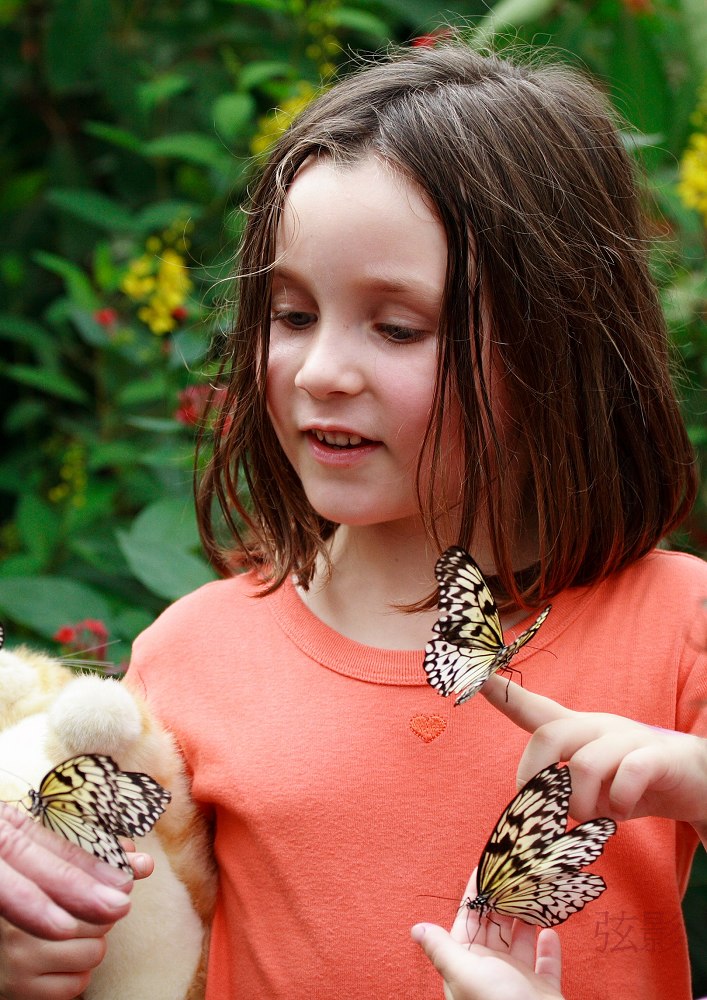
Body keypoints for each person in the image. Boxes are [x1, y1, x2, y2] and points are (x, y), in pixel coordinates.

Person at [1, 40, 705, 1000]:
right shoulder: (194, 654)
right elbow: (137, 949)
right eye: (290, 315)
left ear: (553, 340)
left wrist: (688, 780)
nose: (321, 370)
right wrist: (35, 956)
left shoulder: (677, 623)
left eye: (397, 327)